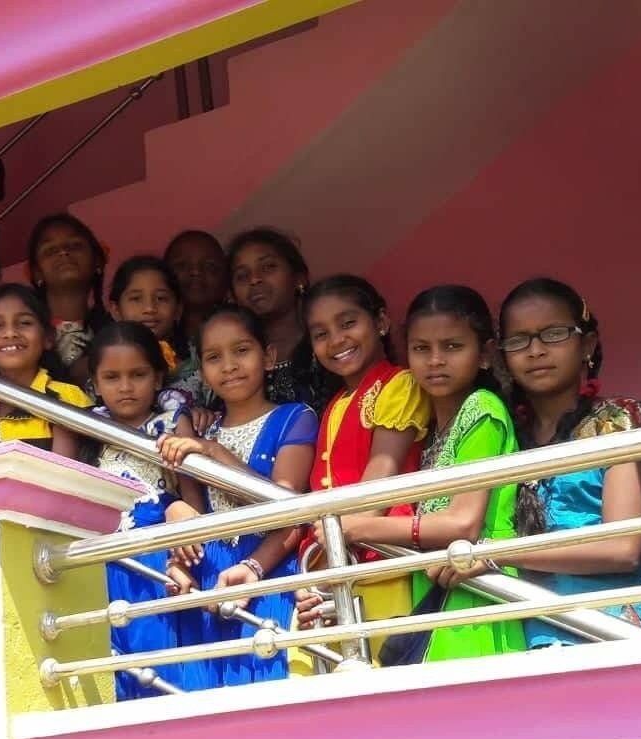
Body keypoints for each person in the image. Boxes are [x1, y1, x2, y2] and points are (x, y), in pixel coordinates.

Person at [439, 277, 641, 646]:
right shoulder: (503, 433)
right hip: (523, 631)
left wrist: (497, 554)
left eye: (553, 334)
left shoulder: (619, 418)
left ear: (588, 344)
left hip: (611, 628)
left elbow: (622, 549)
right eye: (519, 340)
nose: (535, 350)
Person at [328, 286, 526, 664]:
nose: (435, 360)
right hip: (441, 592)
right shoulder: (434, 429)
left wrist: (357, 529)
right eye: (421, 349)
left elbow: (462, 522)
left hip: (476, 598)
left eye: (452, 347)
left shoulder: (482, 409)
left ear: (484, 354)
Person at [157, 306, 318, 687]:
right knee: (207, 700)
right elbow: (195, 512)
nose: (229, 365)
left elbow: (287, 508)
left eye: (241, 350)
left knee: (268, 685)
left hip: (267, 572)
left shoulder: (295, 418)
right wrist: (177, 538)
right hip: (210, 578)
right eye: (214, 357)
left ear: (269, 356)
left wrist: (215, 453)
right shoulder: (199, 430)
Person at [298, 275, 430, 663]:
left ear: (382, 322)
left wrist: (335, 541)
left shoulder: (399, 384)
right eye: (320, 333)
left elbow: (381, 477)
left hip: (382, 561)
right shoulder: (336, 402)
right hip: (337, 564)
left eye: (348, 323)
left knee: (385, 674)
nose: (336, 339)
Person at [83, 322, 208, 698]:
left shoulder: (170, 424)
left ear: (157, 378)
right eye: (112, 376)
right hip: (105, 564)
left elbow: (194, 503)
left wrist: (179, 540)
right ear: (95, 383)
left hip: (159, 561)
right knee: (115, 665)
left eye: (137, 375)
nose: (125, 386)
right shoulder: (88, 426)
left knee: (162, 663)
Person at [0, 283, 91, 457]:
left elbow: (63, 475)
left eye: (24, 323)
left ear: (48, 337)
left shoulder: (66, 398)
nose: (10, 333)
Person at [226, 227, 325, 409]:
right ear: (232, 295)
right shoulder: (230, 364)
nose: (254, 280)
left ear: (299, 278)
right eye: (242, 276)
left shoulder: (328, 346)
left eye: (268, 267)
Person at [26, 213, 113, 385]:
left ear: (98, 261)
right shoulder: (25, 332)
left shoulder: (114, 331)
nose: (64, 253)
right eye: (50, 250)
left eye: (75, 246)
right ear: (37, 272)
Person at [106, 256, 200, 402]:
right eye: (136, 299)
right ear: (116, 310)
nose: (149, 308)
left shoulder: (201, 363)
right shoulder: (103, 361)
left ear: (178, 309)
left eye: (161, 298)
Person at [164, 229, 228, 348]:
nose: (196, 272)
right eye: (181, 266)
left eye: (209, 266)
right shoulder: (154, 337)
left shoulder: (242, 331)